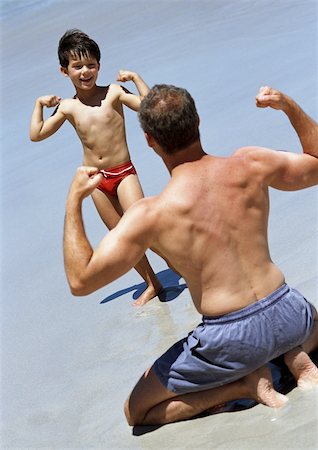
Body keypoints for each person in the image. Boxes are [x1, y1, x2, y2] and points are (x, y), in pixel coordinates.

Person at [63, 84, 318, 426]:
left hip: (230, 337)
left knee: (137, 411)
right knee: (306, 324)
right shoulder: (251, 163)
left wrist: (74, 201)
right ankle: (294, 352)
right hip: (288, 310)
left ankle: (240, 385)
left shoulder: (152, 214)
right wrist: (287, 105)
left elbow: (80, 280)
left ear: (150, 141)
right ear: (198, 121)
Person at [29, 29, 162, 306]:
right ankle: (152, 282)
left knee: (144, 228)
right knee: (121, 237)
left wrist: (136, 78)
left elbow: (149, 108)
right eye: (77, 66)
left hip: (123, 173)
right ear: (64, 71)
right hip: (96, 180)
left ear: (99, 66)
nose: (85, 71)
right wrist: (39, 105)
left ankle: (185, 266)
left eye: (91, 64)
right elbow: (37, 133)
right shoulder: (67, 107)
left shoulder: (113, 93)